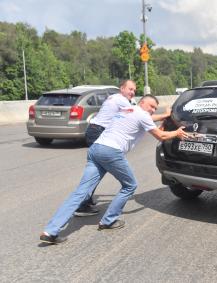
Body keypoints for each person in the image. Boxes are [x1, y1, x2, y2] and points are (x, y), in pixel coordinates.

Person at [40, 95, 188, 244]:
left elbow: (153, 127)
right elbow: (161, 136)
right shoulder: (142, 115)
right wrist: (177, 132)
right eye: (151, 106)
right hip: (111, 151)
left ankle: (50, 231)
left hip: (95, 149)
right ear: (142, 102)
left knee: (80, 192)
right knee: (130, 185)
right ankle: (108, 221)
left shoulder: (126, 110)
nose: (153, 110)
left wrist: (163, 120)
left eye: (155, 108)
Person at [76, 80, 169, 216]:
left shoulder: (115, 97)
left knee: (97, 168)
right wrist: (166, 115)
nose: (132, 92)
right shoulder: (123, 102)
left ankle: (85, 200)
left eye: (134, 90)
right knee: (97, 170)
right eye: (130, 89)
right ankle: (82, 204)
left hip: (95, 130)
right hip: (99, 131)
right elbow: (144, 117)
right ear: (122, 89)